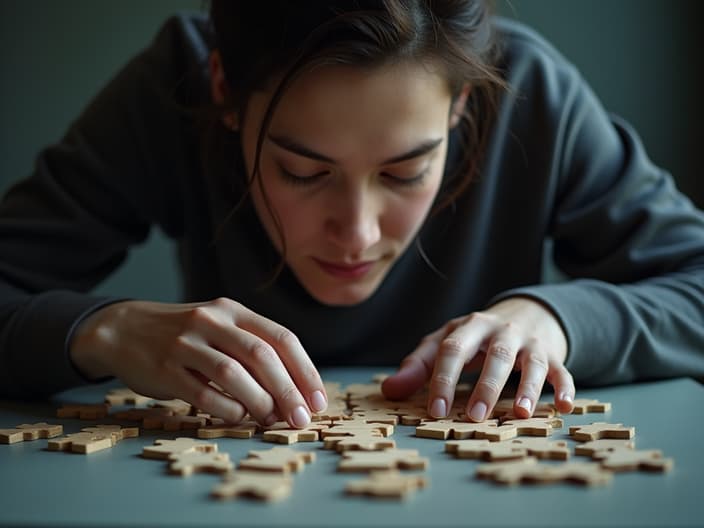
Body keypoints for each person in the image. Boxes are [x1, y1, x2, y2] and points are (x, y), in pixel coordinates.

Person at [1, 1, 702, 430]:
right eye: (302, 171)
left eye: (406, 171)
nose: (359, 233)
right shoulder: (173, 86)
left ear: (461, 108)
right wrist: (107, 328)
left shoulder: (530, 95)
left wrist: (556, 321)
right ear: (225, 95)